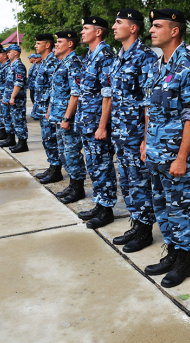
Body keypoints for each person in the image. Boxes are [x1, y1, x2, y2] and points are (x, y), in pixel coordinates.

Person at [141, 8, 190, 288]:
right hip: (156, 152)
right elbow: (150, 108)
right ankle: (171, 252)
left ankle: (184, 261)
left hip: (177, 156)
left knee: (181, 208)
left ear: (175, 30)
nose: (151, 30)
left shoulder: (189, 66)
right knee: (162, 206)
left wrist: (181, 157)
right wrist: (146, 141)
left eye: (157, 26)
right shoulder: (158, 65)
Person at [108, 8, 157, 253]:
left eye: (119, 22)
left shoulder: (145, 57)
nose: (114, 27)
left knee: (140, 183)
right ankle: (136, 224)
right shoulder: (120, 56)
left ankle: (145, 230)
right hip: (121, 133)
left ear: (133, 27)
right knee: (127, 183)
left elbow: (149, 102)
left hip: (136, 134)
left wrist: (146, 138)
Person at [74, 16, 118, 229]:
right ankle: (99, 204)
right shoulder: (90, 55)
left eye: (86, 28)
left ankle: (107, 209)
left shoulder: (105, 56)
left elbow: (108, 95)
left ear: (98, 32)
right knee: (93, 165)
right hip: (87, 122)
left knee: (103, 166)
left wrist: (102, 126)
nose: (82, 32)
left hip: (97, 125)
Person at [47, 30, 87, 204]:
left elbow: (75, 93)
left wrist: (67, 118)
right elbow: (56, 90)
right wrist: (51, 111)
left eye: (59, 42)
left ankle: (78, 188)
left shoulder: (74, 63)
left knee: (72, 153)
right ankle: (72, 185)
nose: (56, 45)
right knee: (63, 153)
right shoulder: (62, 63)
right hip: (58, 117)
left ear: (70, 44)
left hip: (67, 119)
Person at [32, 34, 63, 184]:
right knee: (46, 139)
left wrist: (50, 109)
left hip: (48, 109)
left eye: (38, 43)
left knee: (51, 139)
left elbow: (54, 88)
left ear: (47, 45)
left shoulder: (52, 62)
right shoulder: (44, 62)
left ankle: (56, 170)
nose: (35, 46)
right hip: (42, 108)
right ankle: (52, 166)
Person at [0, 44, 28, 153]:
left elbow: (18, 83)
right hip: (11, 99)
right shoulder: (12, 65)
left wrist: (12, 97)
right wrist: (6, 96)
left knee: (19, 120)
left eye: (9, 52)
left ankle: (22, 143)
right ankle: (14, 140)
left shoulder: (19, 66)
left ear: (16, 53)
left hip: (17, 99)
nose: (7, 54)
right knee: (13, 120)